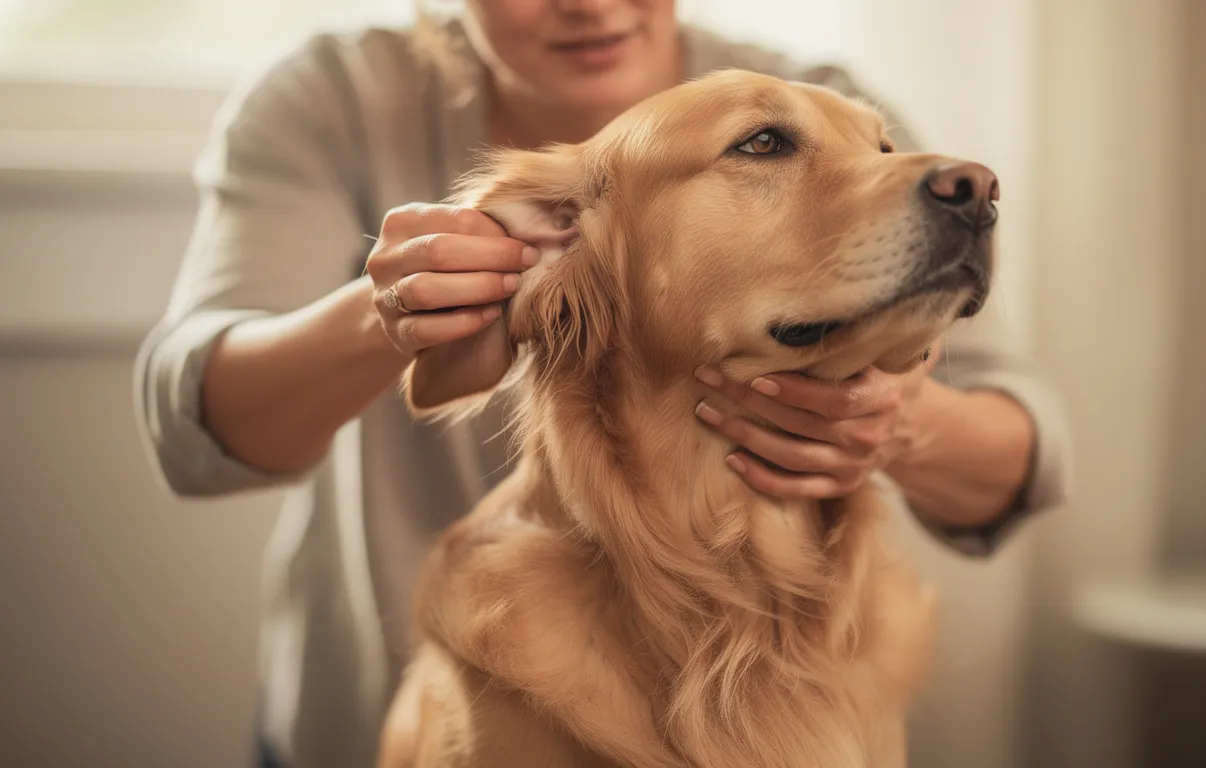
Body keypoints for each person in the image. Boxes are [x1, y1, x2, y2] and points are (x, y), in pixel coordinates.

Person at [132, 2, 1072, 766]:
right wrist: (388, 313)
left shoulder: (820, 97)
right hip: (406, 713)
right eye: (766, 148)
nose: (590, 2)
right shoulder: (333, 97)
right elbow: (193, 422)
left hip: (816, 648)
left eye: (871, 154)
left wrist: (896, 419)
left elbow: (1022, 453)